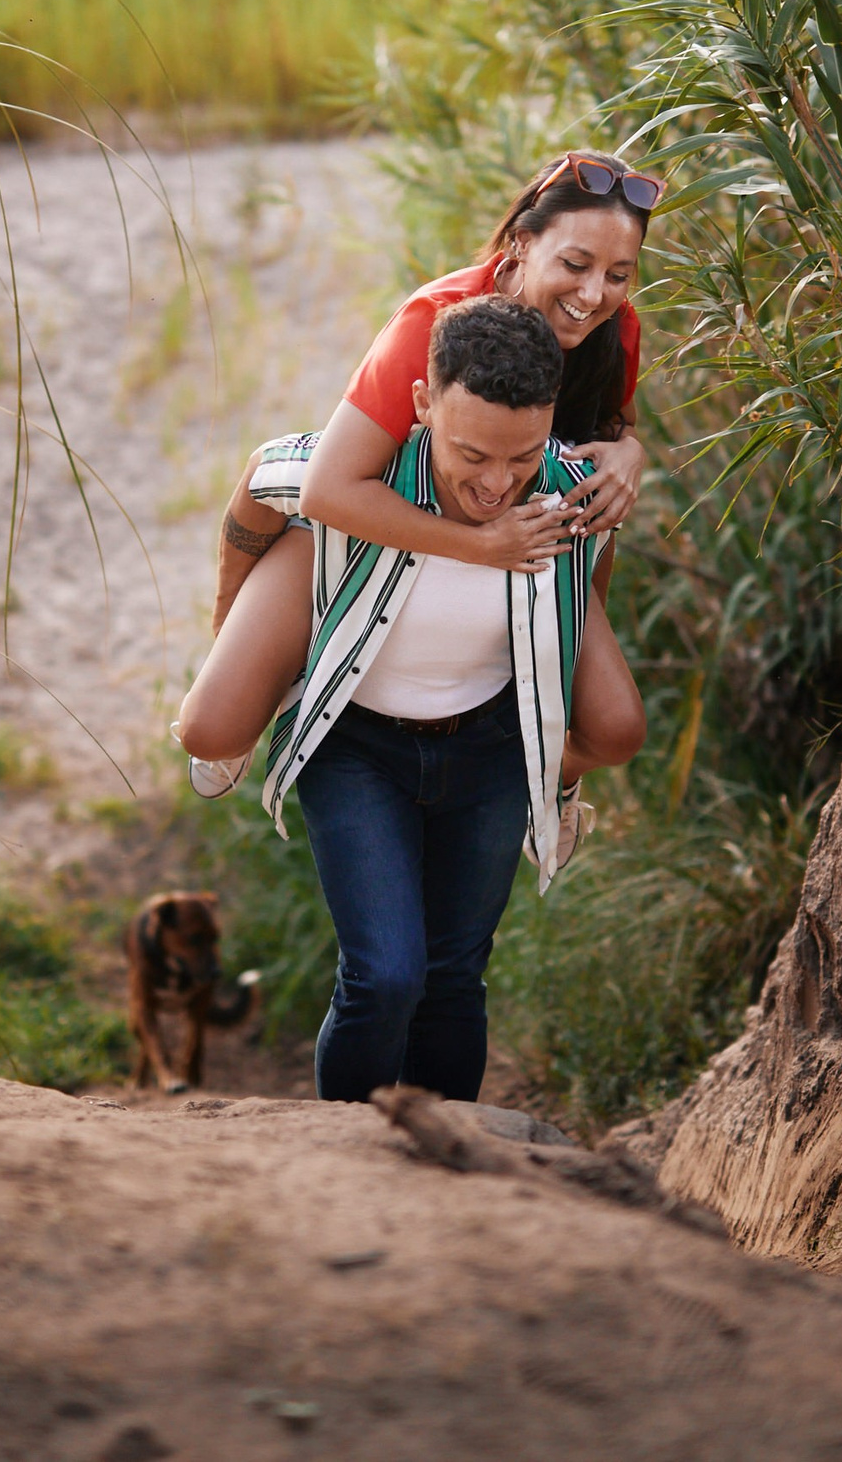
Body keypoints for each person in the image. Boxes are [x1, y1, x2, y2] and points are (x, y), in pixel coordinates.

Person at [174, 152, 662, 851]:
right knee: (211, 724)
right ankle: (268, 670)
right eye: (576, 264)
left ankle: (548, 773)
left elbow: (609, 429)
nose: (595, 292)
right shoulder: (434, 320)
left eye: (619, 274)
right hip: (384, 514)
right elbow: (327, 487)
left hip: (523, 532)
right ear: (521, 243)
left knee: (616, 720)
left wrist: (629, 451)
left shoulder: (612, 330)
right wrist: (479, 545)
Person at [218, 295, 624, 1103]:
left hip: (488, 753)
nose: (498, 482)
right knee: (386, 975)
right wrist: (230, 629)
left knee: (453, 980)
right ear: (422, 405)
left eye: (522, 455)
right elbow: (264, 480)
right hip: (358, 750)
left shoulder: (570, 498)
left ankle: (444, 1175)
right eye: (472, 453)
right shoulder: (348, 483)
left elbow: (584, 600)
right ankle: (346, 1149)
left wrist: (551, 753)